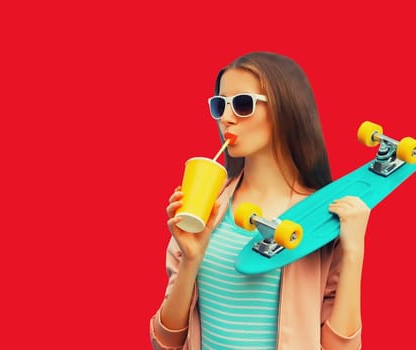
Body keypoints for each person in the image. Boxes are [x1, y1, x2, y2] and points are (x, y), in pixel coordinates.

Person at [149, 51, 370, 350]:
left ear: (285, 109)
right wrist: (190, 261)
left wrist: (354, 251)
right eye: (220, 105)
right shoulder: (205, 208)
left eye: (242, 104)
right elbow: (166, 342)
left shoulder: (322, 217)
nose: (226, 118)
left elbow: (341, 349)